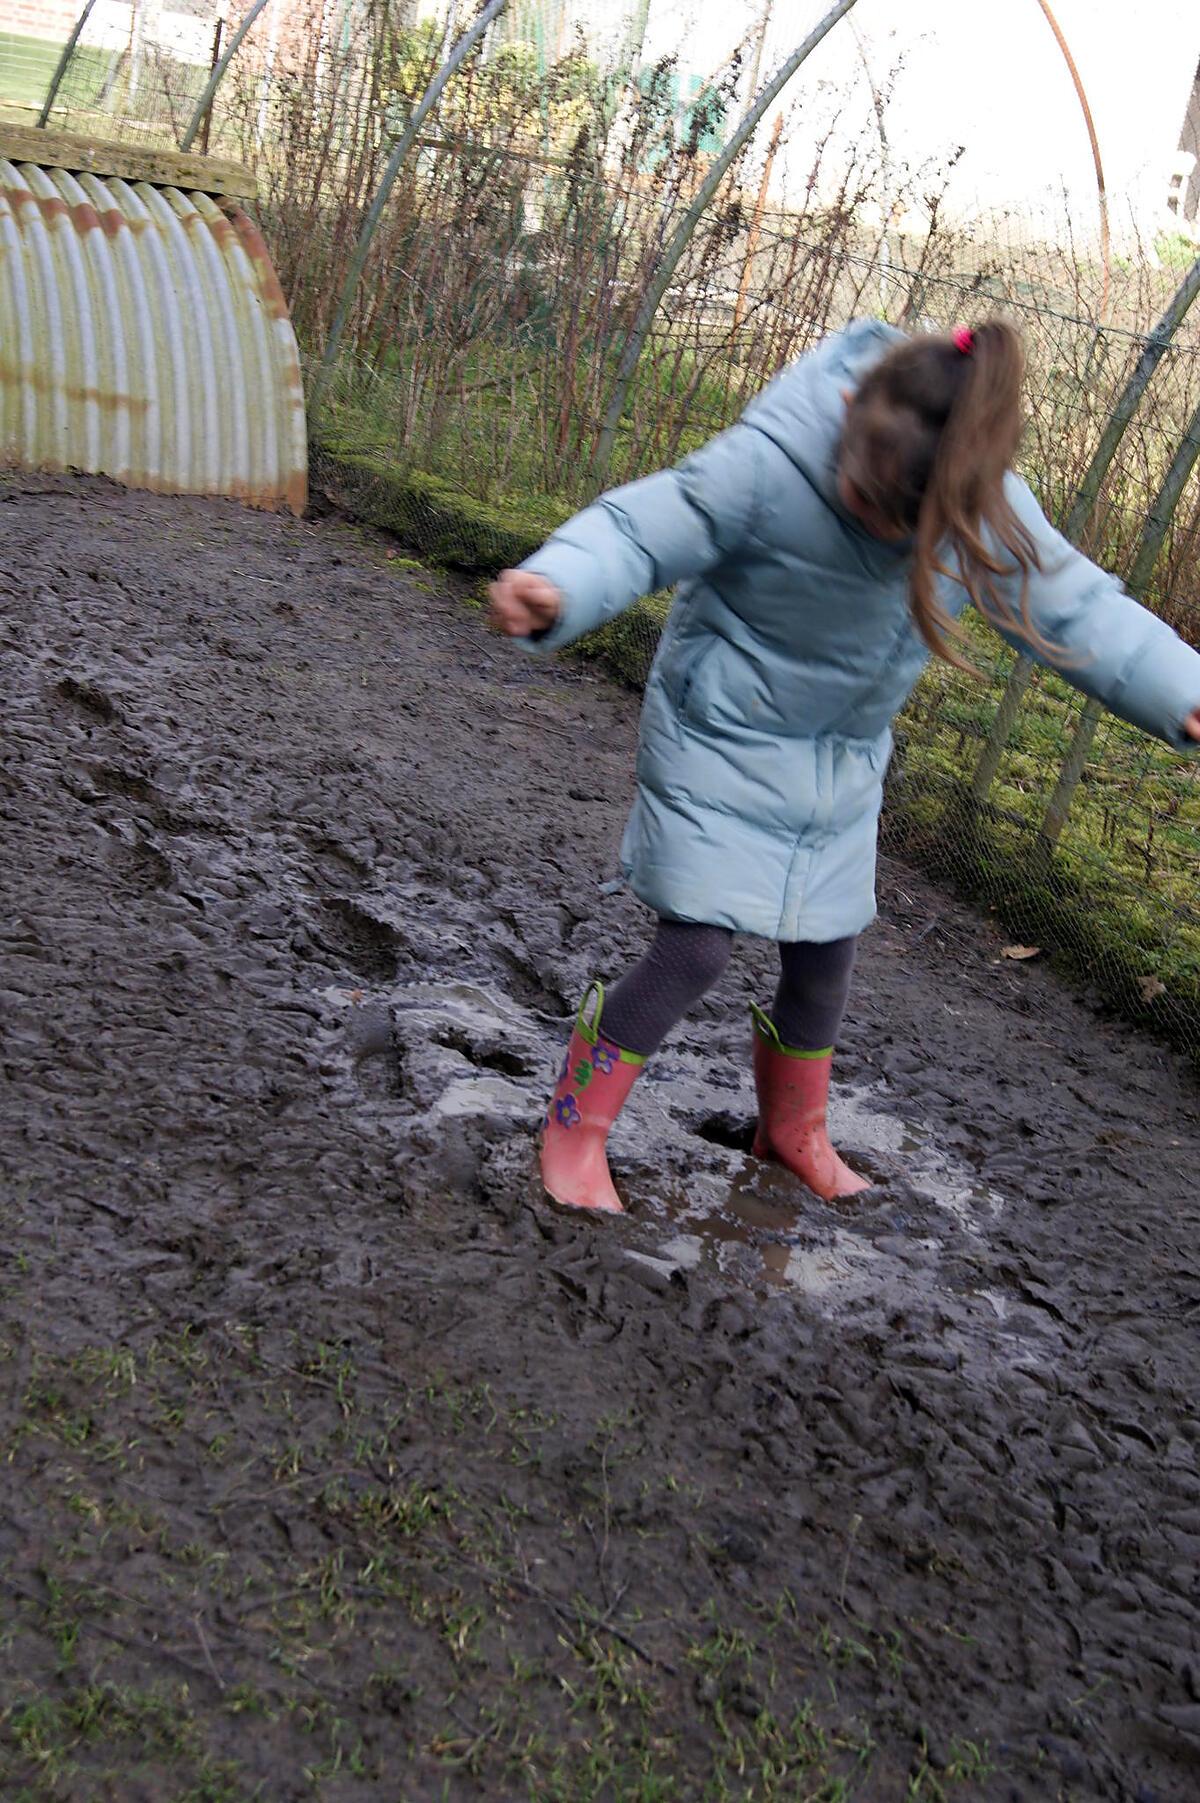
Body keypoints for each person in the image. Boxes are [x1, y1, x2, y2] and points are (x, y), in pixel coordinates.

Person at [488, 319, 1200, 1214]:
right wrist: (558, 582)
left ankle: (793, 1131)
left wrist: (1183, 691)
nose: (866, 515)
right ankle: (577, 1125)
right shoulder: (766, 464)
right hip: (721, 730)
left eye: (895, 517)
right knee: (698, 946)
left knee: (826, 952)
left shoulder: (979, 506)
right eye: (860, 491)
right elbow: (636, 530)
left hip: (838, 759)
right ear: (848, 411)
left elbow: (1085, 613)